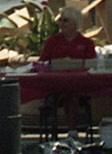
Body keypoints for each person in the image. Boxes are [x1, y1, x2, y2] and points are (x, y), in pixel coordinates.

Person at [37, 8, 98, 136]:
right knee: (67, 93)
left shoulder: (87, 43)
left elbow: (92, 65)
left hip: (79, 84)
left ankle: (72, 132)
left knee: (71, 94)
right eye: (60, 20)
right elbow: (42, 63)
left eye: (65, 20)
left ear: (75, 23)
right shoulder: (52, 41)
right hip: (55, 84)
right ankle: (71, 131)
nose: (61, 23)